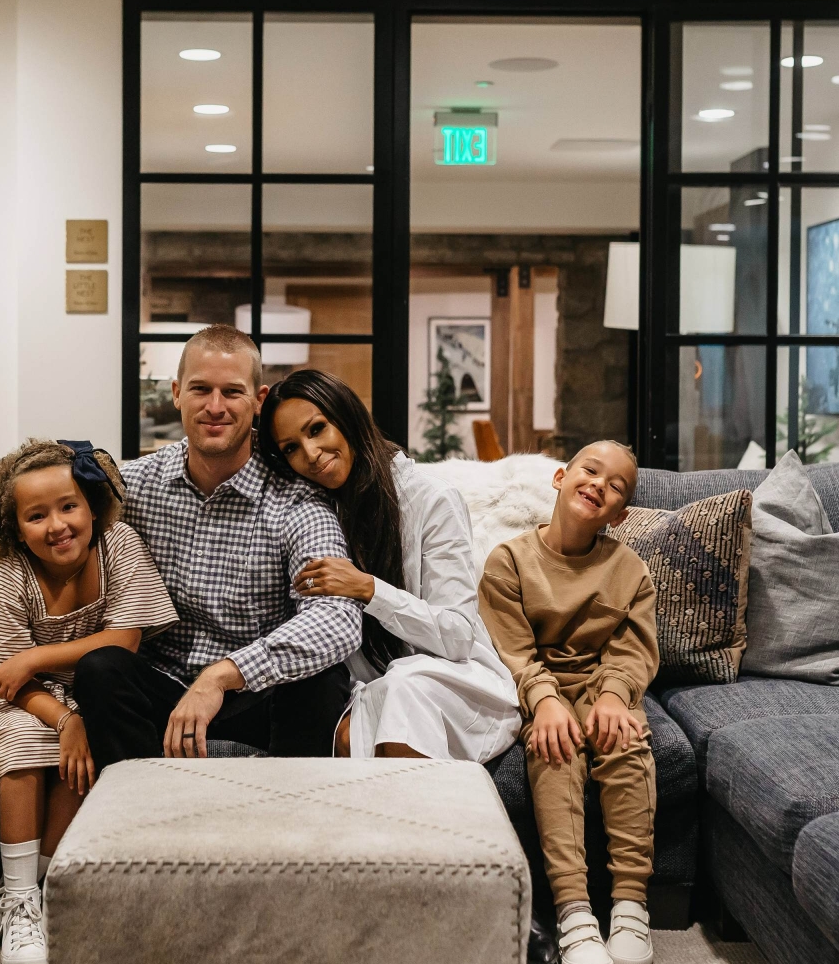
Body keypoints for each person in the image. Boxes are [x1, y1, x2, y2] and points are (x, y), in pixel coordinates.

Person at [73, 324, 363, 764]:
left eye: (231, 392)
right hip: (162, 686)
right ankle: (138, 816)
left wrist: (223, 676)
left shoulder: (296, 499)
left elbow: (337, 619)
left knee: (323, 680)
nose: (215, 407)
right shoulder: (133, 487)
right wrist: (63, 716)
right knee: (101, 668)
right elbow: (45, 522)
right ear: (176, 393)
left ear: (259, 400)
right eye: (200, 389)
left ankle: (294, 824)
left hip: (257, 691)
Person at [0, 439, 178, 964]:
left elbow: (124, 641)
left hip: (87, 688)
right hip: (27, 699)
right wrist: (62, 717)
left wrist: (39, 661)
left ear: (91, 506)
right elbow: (2, 675)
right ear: (15, 528)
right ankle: (18, 897)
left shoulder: (118, 544)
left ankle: (21, 891)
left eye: (68, 507)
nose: (57, 525)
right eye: (36, 516)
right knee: (25, 740)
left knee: (78, 762)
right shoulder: (13, 576)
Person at [256, 368, 520, 762]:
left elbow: (457, 636)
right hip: (378, 687)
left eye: (317, 429)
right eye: (291, 448)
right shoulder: (313, 515)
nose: (310, 455)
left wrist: (369, 590)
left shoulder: (431, 498)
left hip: (458, 684)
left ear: (347, 417)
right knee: (356, 722)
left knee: (400, 690)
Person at [478, 440, 659, 964]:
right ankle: (574, 913)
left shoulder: (630, 570)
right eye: (590, 470)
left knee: (627, 746)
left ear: (620, 514)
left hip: (603, 686)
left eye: (616, 484)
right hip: (540, 689)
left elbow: (633, 649)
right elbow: (510, 647)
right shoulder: (508, 561)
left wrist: (613, 697)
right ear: (560, 478)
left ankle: (630, 906)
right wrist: (545, 701)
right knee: (553, 754)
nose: (600, 483)